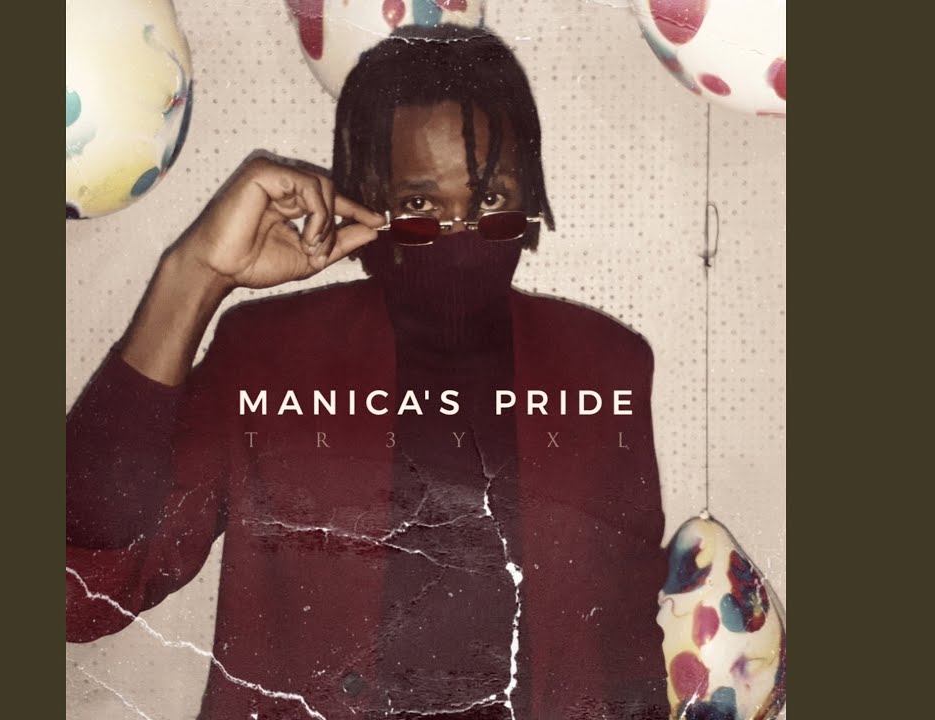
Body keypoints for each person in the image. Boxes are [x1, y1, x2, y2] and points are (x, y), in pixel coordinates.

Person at [67, 24, 670, 719]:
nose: (460, 235)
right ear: (366, 201)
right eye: (419, 205)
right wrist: (194, 274)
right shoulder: (270, 358)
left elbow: (627, 653)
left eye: (489, 199)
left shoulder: (605, 367)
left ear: (528, 194)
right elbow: (82, 593)